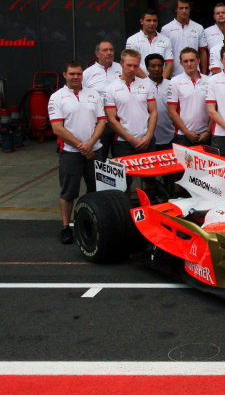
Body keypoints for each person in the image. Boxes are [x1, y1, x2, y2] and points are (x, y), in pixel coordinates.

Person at [49, 61, 106, 243]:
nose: (76, 77)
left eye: (79, 74)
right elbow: (57, 128)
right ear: (64, 74)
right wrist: (81, 146)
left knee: (95, 190)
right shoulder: (57, 97)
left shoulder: (93, 94)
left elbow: (102, 121)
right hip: (71, 153)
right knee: (69, 192)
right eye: (72, 74)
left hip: (95, 150)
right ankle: (66, 227)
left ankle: (93, 223)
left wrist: (90, 144)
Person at [104, 49, 157, 158]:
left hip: (147, 140)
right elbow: (111, 119)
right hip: (123, 142)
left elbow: (153, 112)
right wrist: (131, 139)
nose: (132, 69)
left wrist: (149, 135)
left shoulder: (147, 85)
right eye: (129, 65)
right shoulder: (111, 88)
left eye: (135, 66)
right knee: (125, 175)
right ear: (121, 64)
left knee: (149, 175)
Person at [82, 39, 122, 158]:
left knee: (121, 160)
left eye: (111, 50)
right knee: (100, 159)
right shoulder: (87, 74)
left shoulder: (122, 69)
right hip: (100, 124)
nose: (109, 53)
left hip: (121, 122)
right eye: (105, 50)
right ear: (97, 53)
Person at [167, 48, 211, 146]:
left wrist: (208, 131)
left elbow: (215, 108)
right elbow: (171, 111)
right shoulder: (175, 81)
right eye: (185, 61)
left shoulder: (209, 81)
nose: (189, 64)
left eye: (192, 60)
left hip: (205, 134)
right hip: (183, 135)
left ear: (198, 61)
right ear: (181, 63)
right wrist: (186, 132)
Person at [160, 0, 203, 77]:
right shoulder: (166, 29)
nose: (184, 11)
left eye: (186, 8)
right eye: (181, 8)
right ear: (176, 9)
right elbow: (163, 53)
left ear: (190, 9)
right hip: (174, 75)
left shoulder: (198, 28)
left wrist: (204, 73)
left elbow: (202, 52)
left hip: (195, 74)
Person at [125, 8, 173, 78]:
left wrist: (161, 81)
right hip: (139, 83)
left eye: (154, 21)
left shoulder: (165, 40)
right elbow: (132, 63)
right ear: (141, 21)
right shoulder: (132, 40)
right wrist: (147, 82)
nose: (152, 23)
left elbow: (169, 64)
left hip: (161, 83)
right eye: (148, 20)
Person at [145, 54, 175, 149]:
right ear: (147, 68)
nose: (157, 69)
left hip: (170, 136)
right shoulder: (141, 86)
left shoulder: (171, 85)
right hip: (147, 138)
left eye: (160, 66)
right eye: (153, 66)